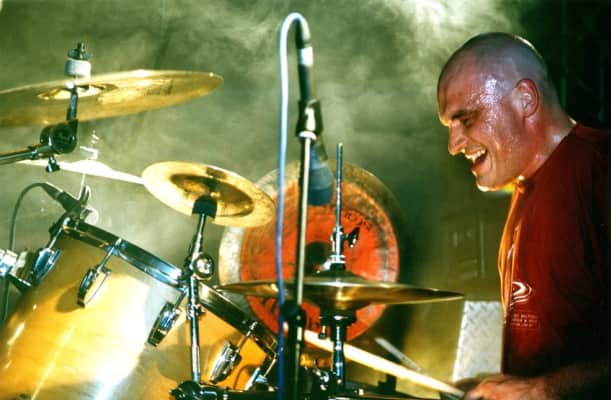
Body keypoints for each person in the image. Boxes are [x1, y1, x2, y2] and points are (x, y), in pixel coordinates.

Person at [436, 32, 610, 399]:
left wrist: (544, 390)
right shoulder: (522, 190)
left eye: (466, 118)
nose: (453, 145)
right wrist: (497, 386)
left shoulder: (599, 169)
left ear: (525, 100)